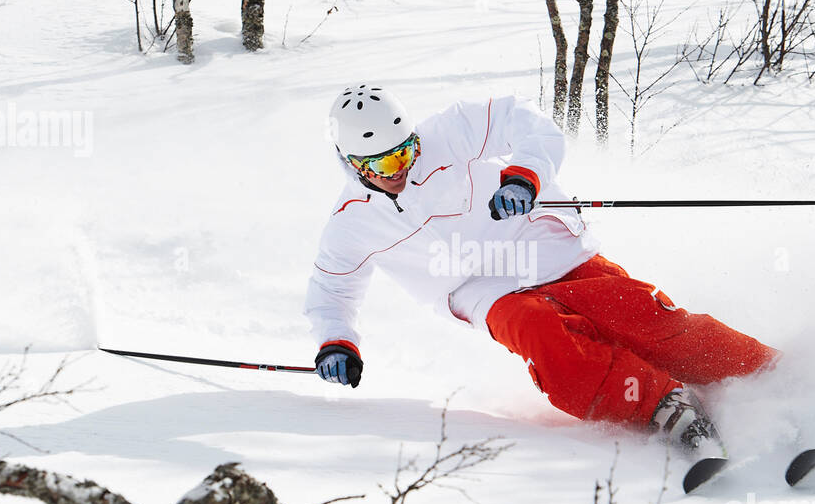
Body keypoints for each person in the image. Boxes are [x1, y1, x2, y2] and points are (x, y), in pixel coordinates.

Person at [303, 83, 778, 459]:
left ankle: (766, 374)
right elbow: (332, 289)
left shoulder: (448, 132)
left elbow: (528, 121)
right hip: (477, 288)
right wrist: (336, 341)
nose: (400, 168)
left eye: (405, 152)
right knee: (545, 335)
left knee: (639, 318)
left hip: (536, 240)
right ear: (351, 163)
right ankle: (661, 405)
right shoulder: (351, 222)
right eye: (384, 162)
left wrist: (524, 174)